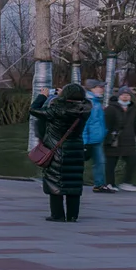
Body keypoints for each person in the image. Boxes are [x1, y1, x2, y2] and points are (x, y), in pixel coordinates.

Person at [32, 81, 93, 222]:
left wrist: (43, 96)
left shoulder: (58, 109)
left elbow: (34, 110)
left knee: (55, 181)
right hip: (76, 148)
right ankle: (72, 215)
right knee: (73, 182)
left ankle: (57, 214)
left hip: (57, 150)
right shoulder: (85, 109)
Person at [102, 88, 136, 192]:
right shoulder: (111, 109)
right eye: (123, 95)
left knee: (133, 159)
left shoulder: (133, 109)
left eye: (128, 95)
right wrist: (106, 139)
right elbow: (105, 125)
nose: (125, 96)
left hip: (128, 140)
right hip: (113, 141)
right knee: (111, 163)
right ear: (119, 96)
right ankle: (109, 183)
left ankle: (126, 183)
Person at [82, 82, 111, 193]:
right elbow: (85, 123)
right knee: (80, 162)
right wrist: (84, 141)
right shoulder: (89, 103)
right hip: (89, 139)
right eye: (100, 87)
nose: (102, 89)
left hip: (97, 138)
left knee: (100, 162)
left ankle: (99, 184)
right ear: (92, 88)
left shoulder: (96, 102)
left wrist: (104, 132)